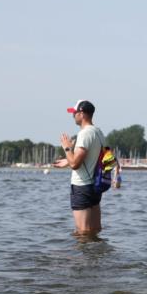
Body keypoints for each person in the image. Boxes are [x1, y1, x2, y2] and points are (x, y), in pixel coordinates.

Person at [54, 99, 104, 235]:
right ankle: (97, 249)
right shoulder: (98, 132)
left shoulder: (84, 134)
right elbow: (91, 157)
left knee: (82, 232)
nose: (73, 115)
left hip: (82, 187)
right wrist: (68, 160)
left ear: (82, 114)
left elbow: (75, 164)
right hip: (95, 186)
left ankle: (84, 250)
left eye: (74, 113)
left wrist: (67, 148)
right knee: (95, 230)